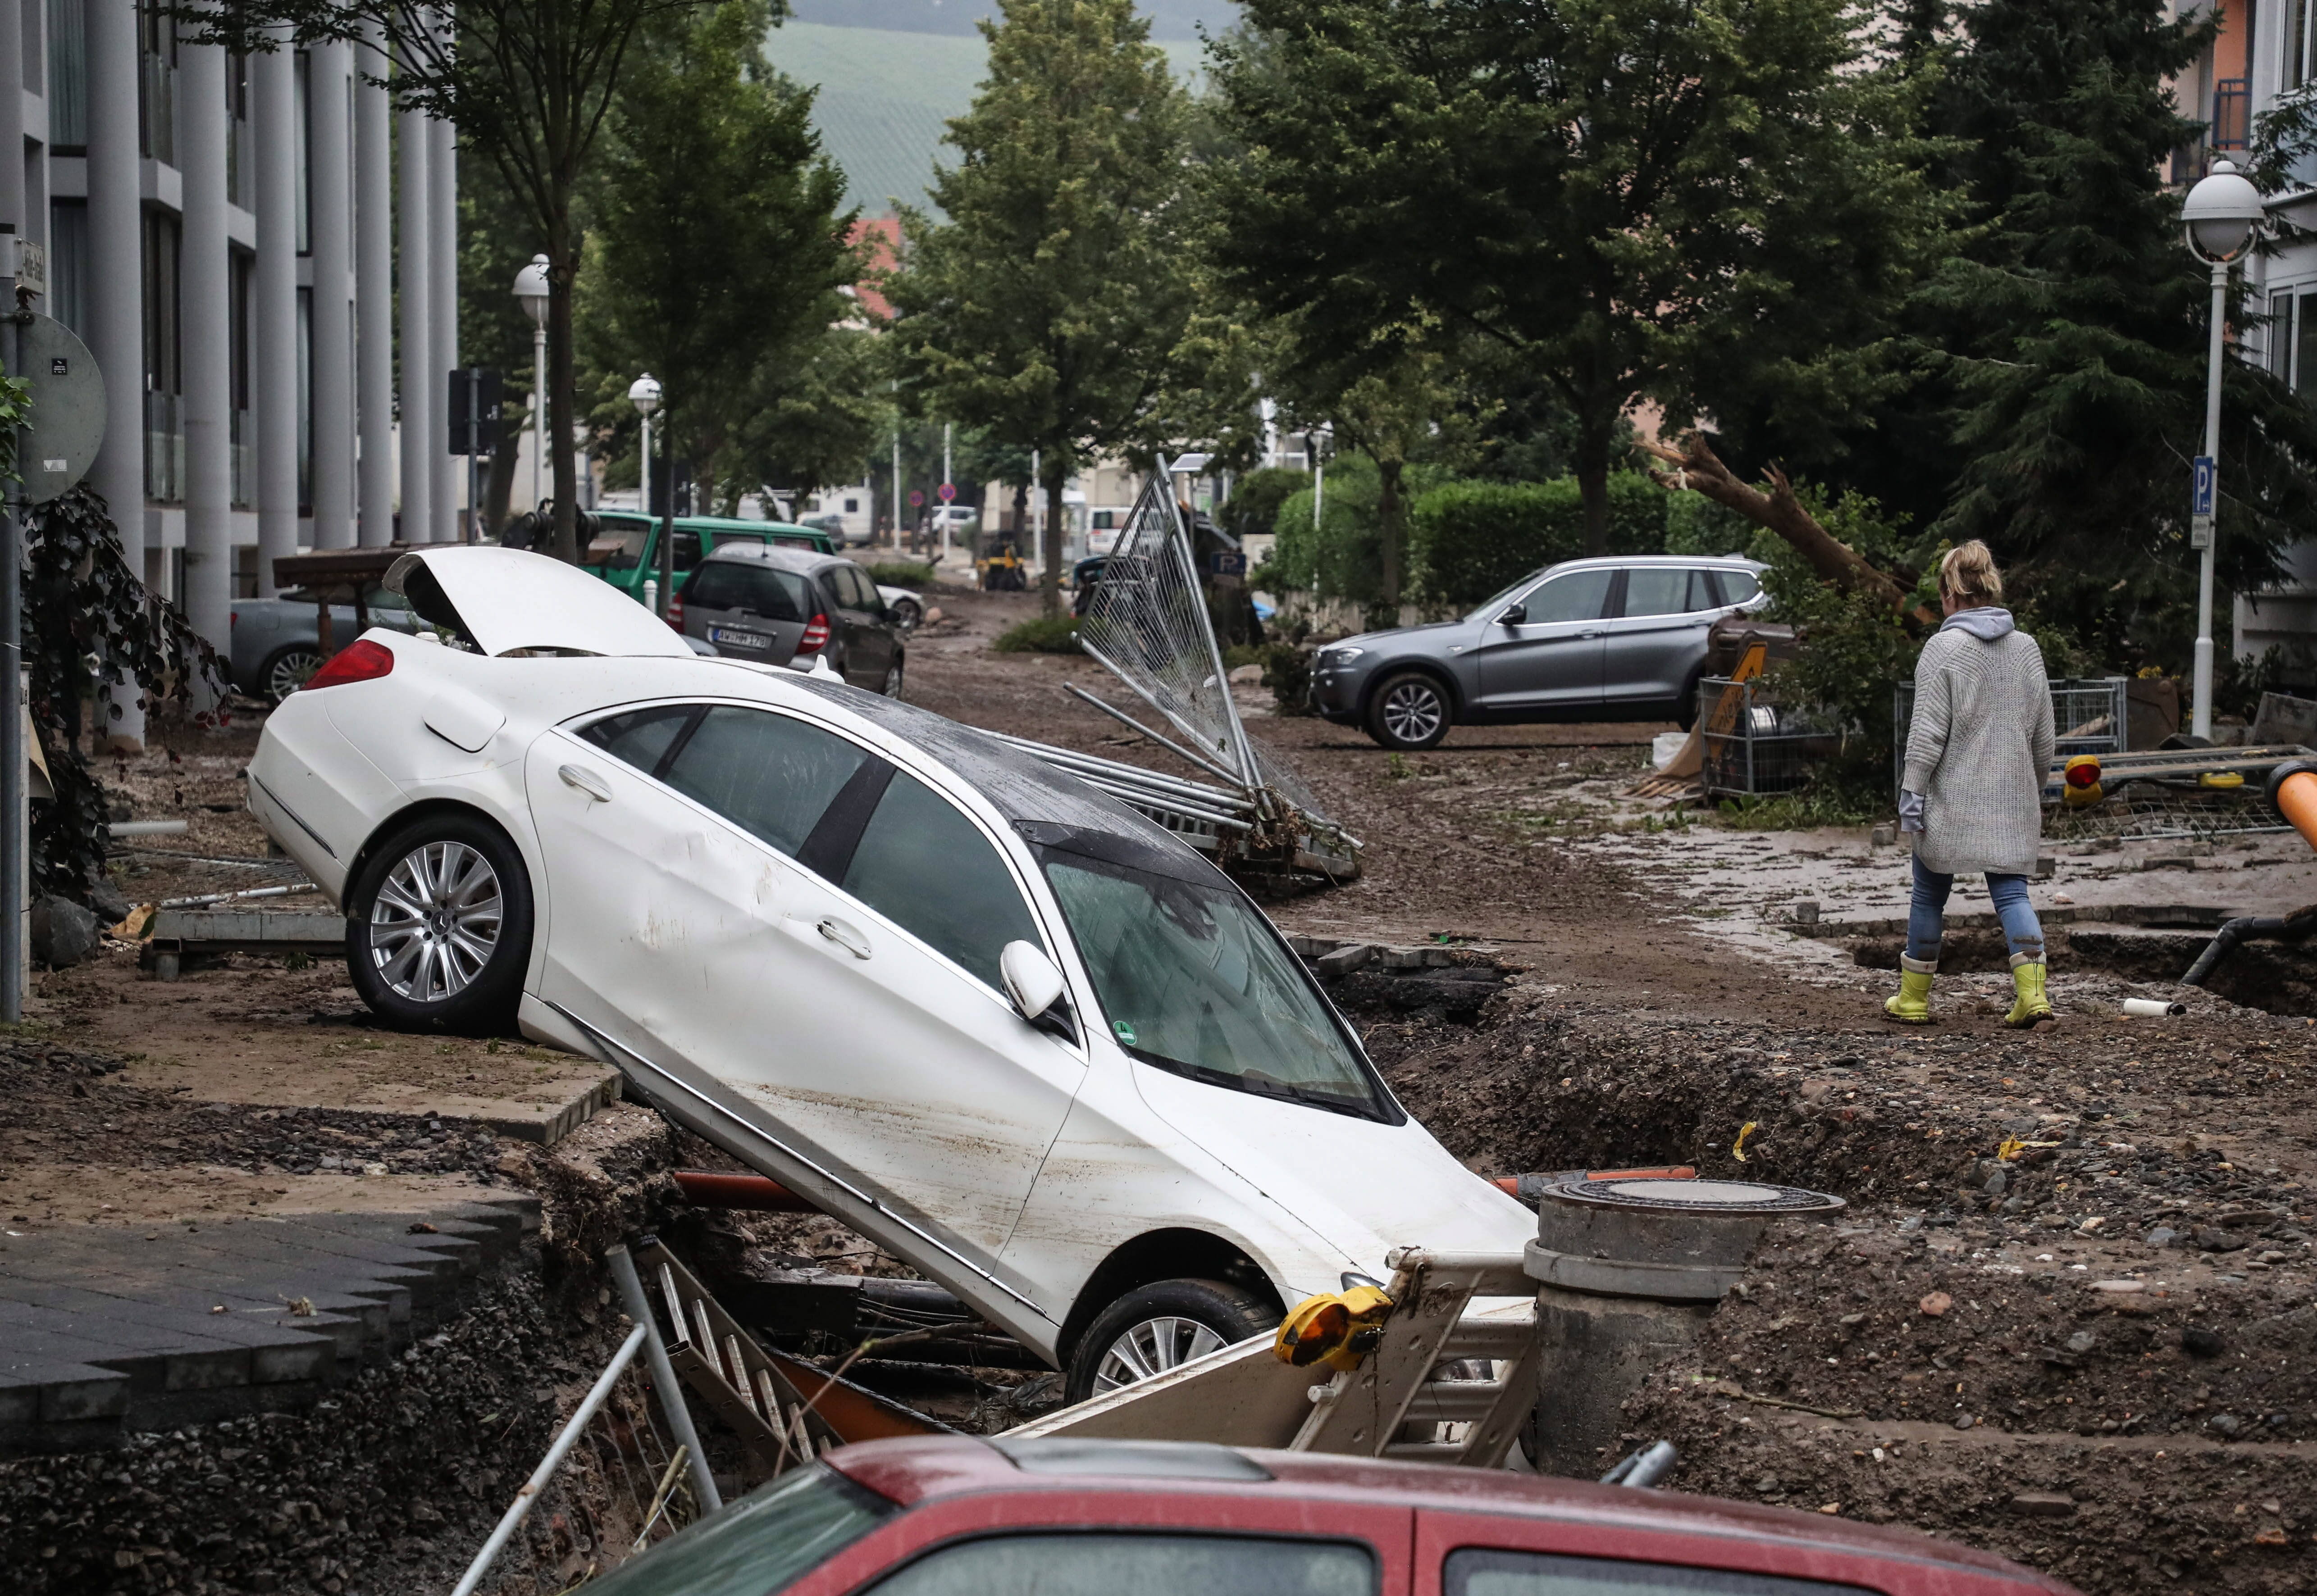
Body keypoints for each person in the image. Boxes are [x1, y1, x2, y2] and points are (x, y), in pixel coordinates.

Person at [1886, 541, 2056, 1028]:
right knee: (2012, 896)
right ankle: (2034, 999)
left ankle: (1914, 1000)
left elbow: (1926, 736)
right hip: (2011, 801)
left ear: (1948, 596)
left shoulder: (1944, 649)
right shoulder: (2026, 649)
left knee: (1928, 895)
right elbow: (2044, 737)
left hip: (1949, 804)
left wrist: (1911, 794)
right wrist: (2032, 789)